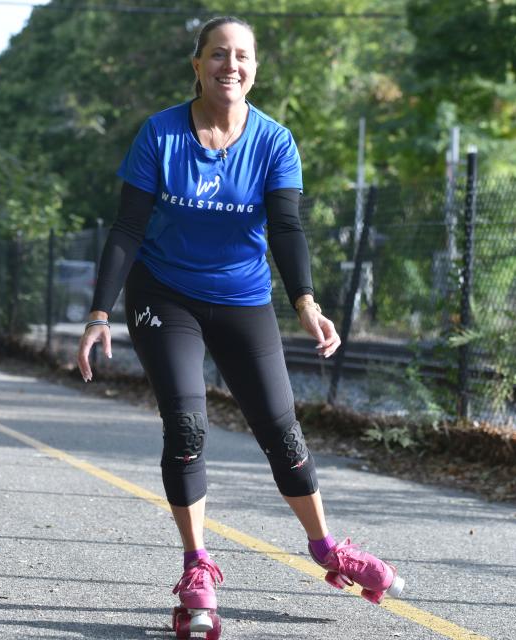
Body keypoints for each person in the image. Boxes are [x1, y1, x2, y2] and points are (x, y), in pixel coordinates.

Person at [77, 16, 404, 631]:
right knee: (187, 421)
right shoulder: (160, 133)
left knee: (282, 431)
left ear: (255, 68)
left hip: (242, 298)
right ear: (196, 64)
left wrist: (305, 301)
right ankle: (197, 565)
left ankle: (327, 548)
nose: (232, 65)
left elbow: (286, 227)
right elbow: (127, 228)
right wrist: (99, 312)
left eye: (243, 56)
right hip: (164, 296)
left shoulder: (275, 141)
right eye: (218, 55)